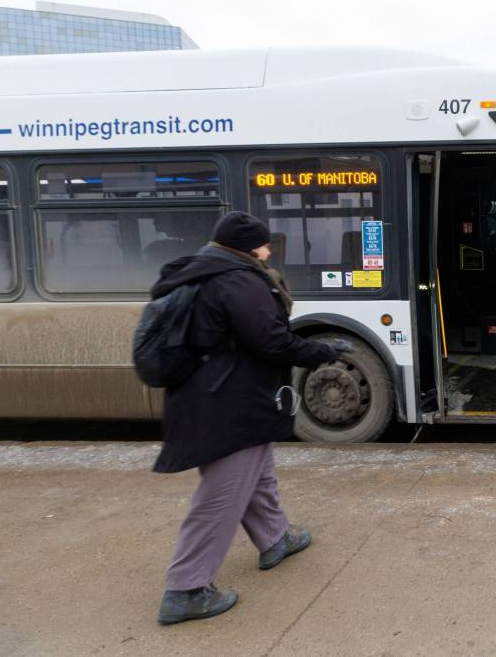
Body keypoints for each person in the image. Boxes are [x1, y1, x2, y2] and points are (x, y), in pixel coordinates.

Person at [150, 211, 350, 625]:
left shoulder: (208, 271)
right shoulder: (238, 279)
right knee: (222, 495)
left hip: (217, 394)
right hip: (227, 403)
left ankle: (275, 538)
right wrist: (323, 350)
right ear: (247, 247)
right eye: (264, 244)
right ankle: (186, 589)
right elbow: (271, 340)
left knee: (256, 472)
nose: (269, 249)